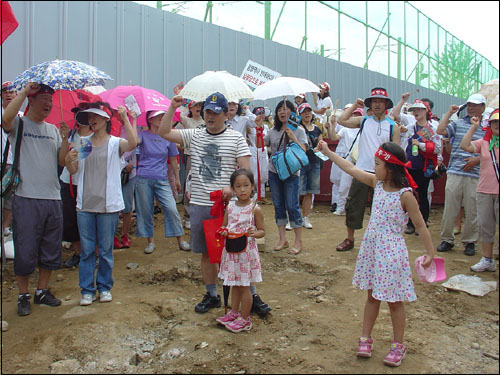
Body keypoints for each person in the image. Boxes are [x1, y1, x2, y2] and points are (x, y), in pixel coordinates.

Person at [316, 140, 435, 367]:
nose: (374, 167)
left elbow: (420, 225)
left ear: (390, 167)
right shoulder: (376, 183)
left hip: (391, 255)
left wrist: (430, 253)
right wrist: (329, 152)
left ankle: (399, 344)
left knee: (394, 301)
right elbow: (350, 168)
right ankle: (365, 337)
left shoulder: (405, 195)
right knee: (371, 296)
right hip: (373, 251)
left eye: (378, 163)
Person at [159, 92, 271, 316]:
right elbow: (163, 132)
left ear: (225, 115)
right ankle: (211, 294)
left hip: (231, 207)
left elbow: (245, 171)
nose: (210, 116)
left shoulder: (236, 138)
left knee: (240, 251)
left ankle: (251, 294)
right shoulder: (195, 135)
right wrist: (172, 108)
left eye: (215, 112)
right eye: (207, 112)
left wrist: (233, 187)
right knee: (206, 253)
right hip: (201, 203)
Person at [2, 82, 70, 316]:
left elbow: (61, 162)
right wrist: (22, 92)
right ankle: (23, 295)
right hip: (26, 197)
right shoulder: (19, 125)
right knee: (25, 248)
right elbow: (5, 120)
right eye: (44, 100)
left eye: (51, 101)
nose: (49, 104)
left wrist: (65, 140)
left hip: (52, 198)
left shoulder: (52, 130)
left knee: (50, 248)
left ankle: (41, 291)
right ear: (31, 100)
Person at [65, 102, 138, 306]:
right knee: (87, 250)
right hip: (86, 205)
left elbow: (133, 143)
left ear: (106, 119)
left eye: (96, 116)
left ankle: (104, 287)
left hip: (108, 205)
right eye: (89, 117)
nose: (92, 120)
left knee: (105, 250)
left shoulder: (116, 143)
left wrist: (125, 118)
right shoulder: (83, 142)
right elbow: (72, 170)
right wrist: (69, 158)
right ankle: (87, 290)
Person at [335, 88, 400, 251]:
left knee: (382, 209)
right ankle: (350, 239)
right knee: (354, 205)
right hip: (362, 170)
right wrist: (354, 106)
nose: (377, 104)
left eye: (381, 101)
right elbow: (342, 121)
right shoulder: (363, 121)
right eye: (374, 101)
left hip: (383, 174)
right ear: (370, 104)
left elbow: (396, 153)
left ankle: (380, 242)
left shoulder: (393, 126)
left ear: (386, 104)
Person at [436, 94, 486, 256]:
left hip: (476, 174)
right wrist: (449, 113)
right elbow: (440, 130)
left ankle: (470, 242)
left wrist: (476, 160)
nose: (471, 108)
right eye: (469, 105)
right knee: (450, 207)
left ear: (483, 108)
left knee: (473, 210)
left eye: (475, 105)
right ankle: (447, 239)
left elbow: (491, 150)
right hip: (455, 171)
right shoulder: (457, 124)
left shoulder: (487, 128)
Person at [134, 110, 190, 254]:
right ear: (149, 120)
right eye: (156, 117)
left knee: (171, 208)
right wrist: (132, 120)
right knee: (146, 211)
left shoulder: (168, 137)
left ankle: (181, 239)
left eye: (162, 116)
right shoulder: (143, 135)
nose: (160, 118)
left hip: (162, 178)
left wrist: (177, 179)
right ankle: (150, 241)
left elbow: (172, 159)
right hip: (143, 178)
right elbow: (134, 142)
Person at [216, 169, 265, 333]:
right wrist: (223, 231)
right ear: (233, 189)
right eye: (238, 186)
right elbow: (224, 225)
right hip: (231, 251)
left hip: (246, 254)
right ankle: (234, 312)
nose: (242, 190)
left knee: (244, 286)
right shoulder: (230, 206)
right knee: (234, 284)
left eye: (246, 185)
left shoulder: (255, 209)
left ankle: (245, 318)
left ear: (252, 187)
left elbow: (262, 231)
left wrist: (255, 233)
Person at [392, 94, 441, 234]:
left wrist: (421, 145)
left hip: (423, 167)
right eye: (414, 110)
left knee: (423, 196)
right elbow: (395, 114)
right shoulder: (409, 127)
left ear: (426, 111)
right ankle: (410, 224)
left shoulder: (431, 129)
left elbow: (437, 148)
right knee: (409, 195)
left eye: (420, 109)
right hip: (408, 167)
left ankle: (422, 224)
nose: (416, 112)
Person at [265, 100, 308, 254]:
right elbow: (260, 144)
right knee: (278, 205)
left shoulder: (299, 130)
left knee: (292, 205)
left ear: (292, 111)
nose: (283, 112)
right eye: (279, 110)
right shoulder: (273, 130)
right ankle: (283, 239)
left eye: (286, 109)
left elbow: (304, 150)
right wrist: (256, 129)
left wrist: (293, 138)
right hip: (274, 172)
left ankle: (298, 240)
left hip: (291, 173)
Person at [460, 110, 499, 271]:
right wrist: (473, 127)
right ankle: (487, 259)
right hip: (484, 190)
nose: (497, 125)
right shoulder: (484, 143)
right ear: (489, 125)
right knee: (485, 226)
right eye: (494, 122)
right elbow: (465, 145)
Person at [60, 103, 94, 268]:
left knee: (88, 221)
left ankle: (91, 254)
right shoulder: (71, 134)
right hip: (68, 182)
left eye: (83, 114)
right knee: (71, 220)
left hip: (87, 184)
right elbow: (62, 159)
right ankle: (78, 253)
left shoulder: (97, 137)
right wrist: (64, 139)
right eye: (77, 114)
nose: (79, 117)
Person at [325, 107, 363, 216]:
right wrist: (332, 125)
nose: (355, 117)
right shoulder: (345, 129)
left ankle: (349, 207)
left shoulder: (364, 129)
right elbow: (333, 137)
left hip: (357, 159)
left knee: (351, 186)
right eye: (354, 114)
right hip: (344, 158)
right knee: (339, 183)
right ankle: (339, 206)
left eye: (358, 115)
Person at [113, 111, 139, 249]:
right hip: (114, 173)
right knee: (113, 207)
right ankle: (113, 236)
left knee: (127, 207)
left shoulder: (130, 127)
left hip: (130, 173)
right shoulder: (111, 127)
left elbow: (134, 143)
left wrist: (133, 121)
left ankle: (125, 234)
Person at [297, 103, 323, 229]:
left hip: (314, 162)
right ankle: (294, 216)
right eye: (304, 112)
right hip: (300, 162)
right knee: (298, 190)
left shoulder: (317, 129)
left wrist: (319, 148)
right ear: (300, 114)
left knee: (310, 191)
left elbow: (321, 143)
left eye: (309, 111)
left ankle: (305, 217)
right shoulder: (297, 127)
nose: (307, 114)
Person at [1, 81, 22, 238]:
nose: (8, 94)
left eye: (12, 91)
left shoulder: (22, 117)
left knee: (10, 197)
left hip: (12, 162)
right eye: (5, 91)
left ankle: (5, 228)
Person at [247, 107, 270, 204]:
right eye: (259, 113)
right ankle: (252, 194)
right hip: (253, 151)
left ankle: (262, 195)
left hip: (263, 152)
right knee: (254, 173)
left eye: (263, 113)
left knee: (263, 172)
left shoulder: (266, 127)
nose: (261, 115)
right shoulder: (250, 127)